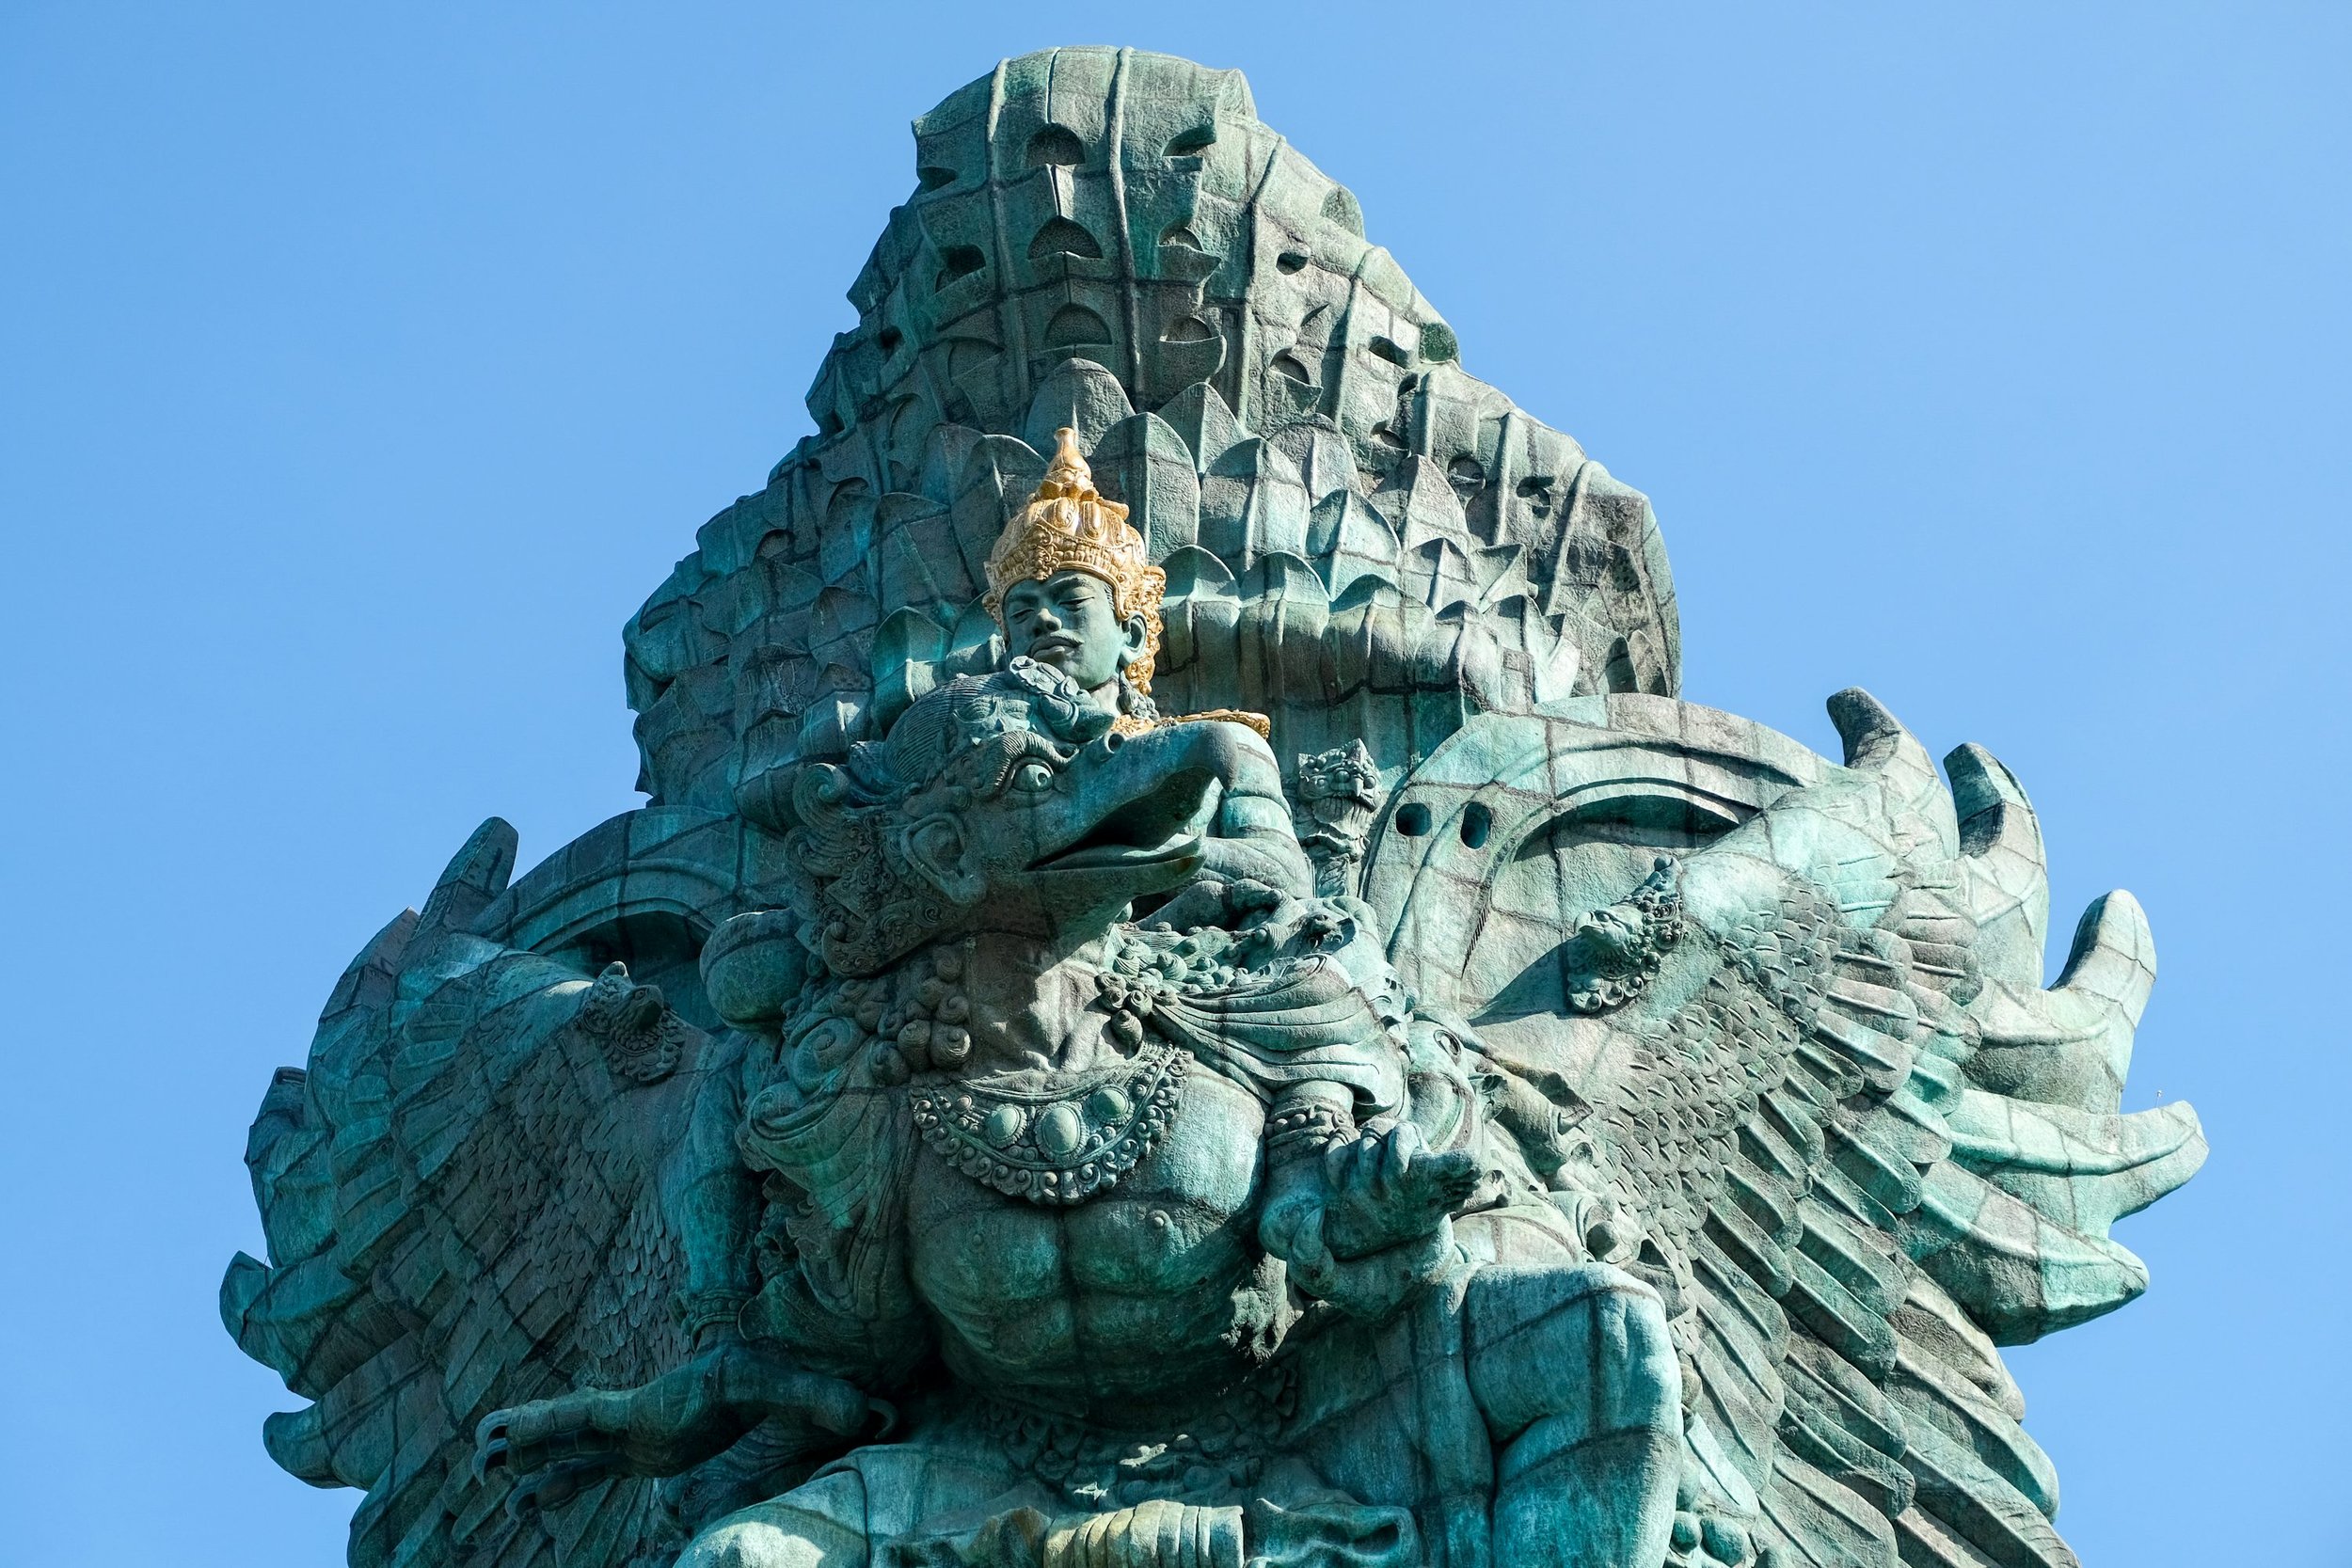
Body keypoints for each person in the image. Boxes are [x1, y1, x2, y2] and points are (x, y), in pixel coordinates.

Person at [982, 427, 1311, 918]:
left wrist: (1142, 848)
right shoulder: (985, 755)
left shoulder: (1218, 743)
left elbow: (1284, 872)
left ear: (1131, 635)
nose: (1046, 620)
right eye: (1023, 614)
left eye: (1071, 601)